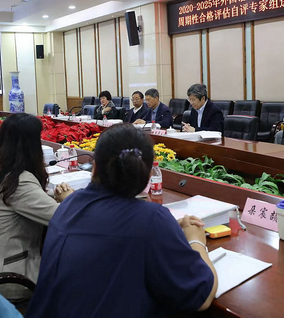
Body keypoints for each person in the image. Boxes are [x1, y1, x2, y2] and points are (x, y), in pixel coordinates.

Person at [25, 124, 218, 317]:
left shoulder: (68, 203)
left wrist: (166, 230)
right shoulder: (152, 220)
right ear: (149, 176)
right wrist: (196, 240)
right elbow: (201, 297)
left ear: (94, 168)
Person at [0, 113, 74, 292]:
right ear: (31, 145)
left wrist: (52, 194)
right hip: (8, 276)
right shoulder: (19, 181)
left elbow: (29, 199)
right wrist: (69, 199)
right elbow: (65, 219)